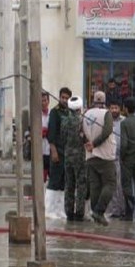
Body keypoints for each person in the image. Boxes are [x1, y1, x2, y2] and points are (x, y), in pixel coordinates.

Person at [83, 91, 116, 226]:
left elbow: (81, 131)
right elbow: (107, 131)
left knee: (95, 185)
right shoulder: (106, 113)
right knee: (110, 184)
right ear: (104, 100)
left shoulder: (86, 114)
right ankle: (99, 211)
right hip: (105, 155)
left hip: (90, 155)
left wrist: (88, 143)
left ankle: (94, 213)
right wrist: (95, 144)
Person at [45, 87, 72, 219]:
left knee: (63, 182)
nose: (65, 100)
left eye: (67, 98)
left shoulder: (69, 112)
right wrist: (54, 151)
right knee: (54, 181)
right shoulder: (54, 113)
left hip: (67, 152)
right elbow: (51, 133)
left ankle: (60, 209)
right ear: (59, 97)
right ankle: (49, 210)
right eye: (63, 97)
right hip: (57, 151)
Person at [61, 96, 88, 222]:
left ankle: (69, 212)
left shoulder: (64, 121)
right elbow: (86, 139)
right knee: (81, 185)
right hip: (79, 157)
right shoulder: (82, 121)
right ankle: (79, 213)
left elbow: (62, 138)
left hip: (67, 156)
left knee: (69, 184)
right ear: (79, 108)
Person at [106, 100, 126, 219]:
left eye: (116, 108)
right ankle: (114, 210)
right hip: (109, 157)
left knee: (121, 185)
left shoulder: (124, 122)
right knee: (111, 185)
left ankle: (123, 209)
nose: (114, 110)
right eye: (112, 108)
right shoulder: (106, 121)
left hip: (121, 158)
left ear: (121, 108)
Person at [41, 92, 51, 183]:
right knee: (41, 177)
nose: (43, 103)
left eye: (45, 100)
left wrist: (47, 131)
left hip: (50, 149)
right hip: (40, 150)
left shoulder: (52, 115)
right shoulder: (36, 116)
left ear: (48, 101)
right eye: (41, 101)